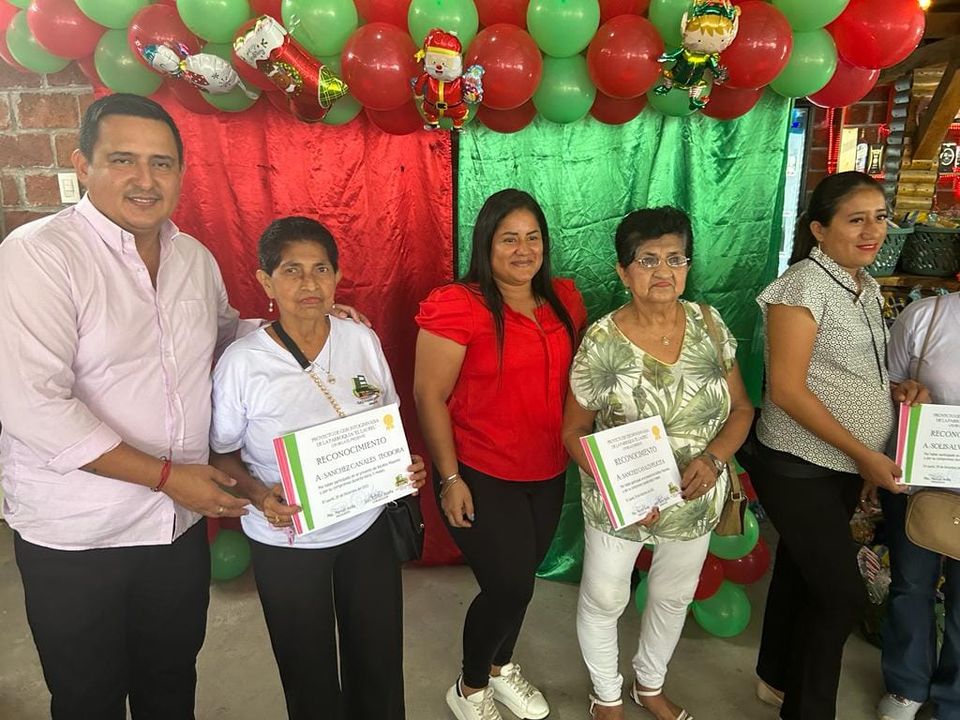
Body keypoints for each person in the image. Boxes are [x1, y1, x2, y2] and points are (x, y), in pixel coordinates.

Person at [0, 94, 364, 719]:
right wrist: (169, 477)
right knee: (87, 696)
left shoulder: (193, 258)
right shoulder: (39, 255)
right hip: (81, 532)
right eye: (123, 160)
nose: (145, 180)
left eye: (162, 163)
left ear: (180, 173)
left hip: (174, 528)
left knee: (171, 683)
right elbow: (33, 406)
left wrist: (305, 321)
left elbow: (220, 338)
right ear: (82, 165)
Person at [209, 216, 426, 720]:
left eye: (321, 269)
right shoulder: (243, 363)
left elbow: (384, 417)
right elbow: (221, 452)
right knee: (307, 670)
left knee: (378, 661)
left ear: (337, 276)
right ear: (266, 282)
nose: (309, 283)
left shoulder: (360, 340)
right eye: (292, 270)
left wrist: (402, 464)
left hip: (365, 526)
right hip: (287, 538)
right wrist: (259, 495)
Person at [561, 207, 753, 720]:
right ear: (624, 272)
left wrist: (714, 459)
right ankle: (606, 695)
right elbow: (573, 431)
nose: (663, 270)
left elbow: (741, 409)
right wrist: (619, 489)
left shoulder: (709, 324)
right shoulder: (602, 341)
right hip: (620, 500)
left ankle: (649, 685)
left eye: (675, 258)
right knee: (606, 598)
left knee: (672, 596)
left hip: (695, 493)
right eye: (647, 260)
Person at [750, 172, 926, 720]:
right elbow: (787, 388)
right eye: (856, 219)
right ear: (819, 229)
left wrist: (892, 389)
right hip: (798, 464)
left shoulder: (862, 284)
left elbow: (842, 370)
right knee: (840, 595)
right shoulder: (802, 287)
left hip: (842, 465)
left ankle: (776, 678)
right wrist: (865, 454)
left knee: (801, 573)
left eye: (880, 217)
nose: (873, 230)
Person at [413, 189, 587, 720]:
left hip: (547, 468)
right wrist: (450, 479)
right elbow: (429, 395)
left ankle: (499, 666)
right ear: (486, 244)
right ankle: (469, 688)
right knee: (508, 586)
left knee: (522, 581)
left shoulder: (563, 299)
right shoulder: (458, 304)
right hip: (481, 471)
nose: (523, 249)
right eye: (509, 238)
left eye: (533, 237)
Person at [877, 291, 960, 720]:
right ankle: (906, 685)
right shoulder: (927, 317)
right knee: (911, 584)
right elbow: (884, 386)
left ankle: (953, 699)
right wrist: (904, 391)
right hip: (919, 480)